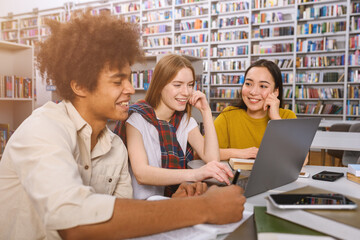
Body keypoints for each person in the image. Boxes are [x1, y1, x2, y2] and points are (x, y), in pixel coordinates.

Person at [0, 11, 246, 240]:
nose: (130, 89)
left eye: (129, 78)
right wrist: (202, 208)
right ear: (80, 86)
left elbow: (121, 225)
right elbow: (74, 223)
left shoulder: (116, 147)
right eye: (118, 81)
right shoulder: (43, 130)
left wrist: (173, 205)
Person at [114, 54, 234, 200]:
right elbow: (142, 174)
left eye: (190, 85)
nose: (186, 92)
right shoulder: (136, 118)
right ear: (159, 86)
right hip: (141, 206)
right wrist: (196, 174)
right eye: (177, 85)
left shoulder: (184, 121)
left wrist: (206, 112)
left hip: (171, 201)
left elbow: (212, 158)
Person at [214, 59, 298, 161]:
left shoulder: (287, 116)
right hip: (235, 176)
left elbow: (300, 159)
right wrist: (242, 153)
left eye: (263, 86)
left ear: (276, 92)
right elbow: (203, 152)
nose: (253, 92)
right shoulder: (229, 115)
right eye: (248, 84)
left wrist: (276, 119)